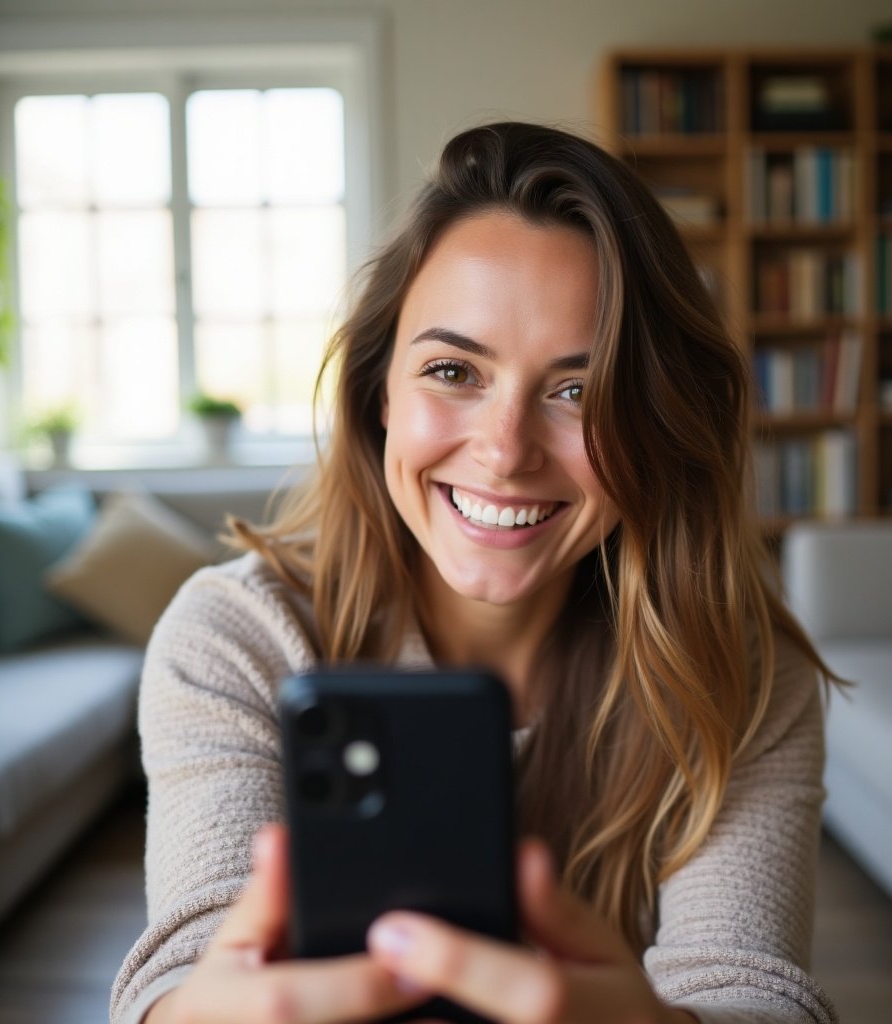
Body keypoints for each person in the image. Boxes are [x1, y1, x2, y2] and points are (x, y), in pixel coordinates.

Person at [111, 121, 840, 1024]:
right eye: (454, 370)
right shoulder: (237, 638)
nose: (503, 452)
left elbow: (754, 998)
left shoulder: (742, 676)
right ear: (381, 394)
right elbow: (181, 975)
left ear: (657, 423)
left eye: (578, 390)